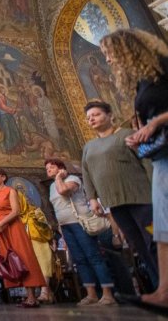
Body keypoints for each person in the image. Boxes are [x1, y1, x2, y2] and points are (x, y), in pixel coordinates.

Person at [101, 29, 168, 310]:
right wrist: (141, 135)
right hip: (160, 154)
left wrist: (156, 123)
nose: (108, 59)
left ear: (127, 49)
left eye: (109, 53)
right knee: (163, 227)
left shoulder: (163, 68)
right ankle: (164, 292)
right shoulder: (143, 82)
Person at [79, 98, 158, 291]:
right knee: (137, 245)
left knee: (154, 241)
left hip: (141, 199)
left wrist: (156, 189)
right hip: (115, 203)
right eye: (88, 117)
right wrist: (92, 199)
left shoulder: (127, 134)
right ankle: (158, 287)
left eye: (96, 114)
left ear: (109, 115)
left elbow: (147, 162)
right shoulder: (89, 147)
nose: (92, 119)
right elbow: (86, 173)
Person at [45, 158, 116, 306]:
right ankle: (91, 294)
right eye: (47, 169)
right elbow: (57, 207)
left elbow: (63, 191)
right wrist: (60, 228)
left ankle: (107, 294)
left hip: (80, 223)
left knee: (93, 256)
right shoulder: (51, 186)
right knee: (80, 260)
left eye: (51, 167)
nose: (48, 170)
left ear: (61, 168)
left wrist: (58, 177)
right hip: (65, 226)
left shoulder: (73, 179)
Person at [0, 168, 44, 308]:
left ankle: (32, 296)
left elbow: (15, 211)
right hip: (1, 229)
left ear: (3, 177)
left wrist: (0, 223)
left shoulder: (10, 191)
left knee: (23, 257)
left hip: (13, 227)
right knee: (10, 259)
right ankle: (25, 295)